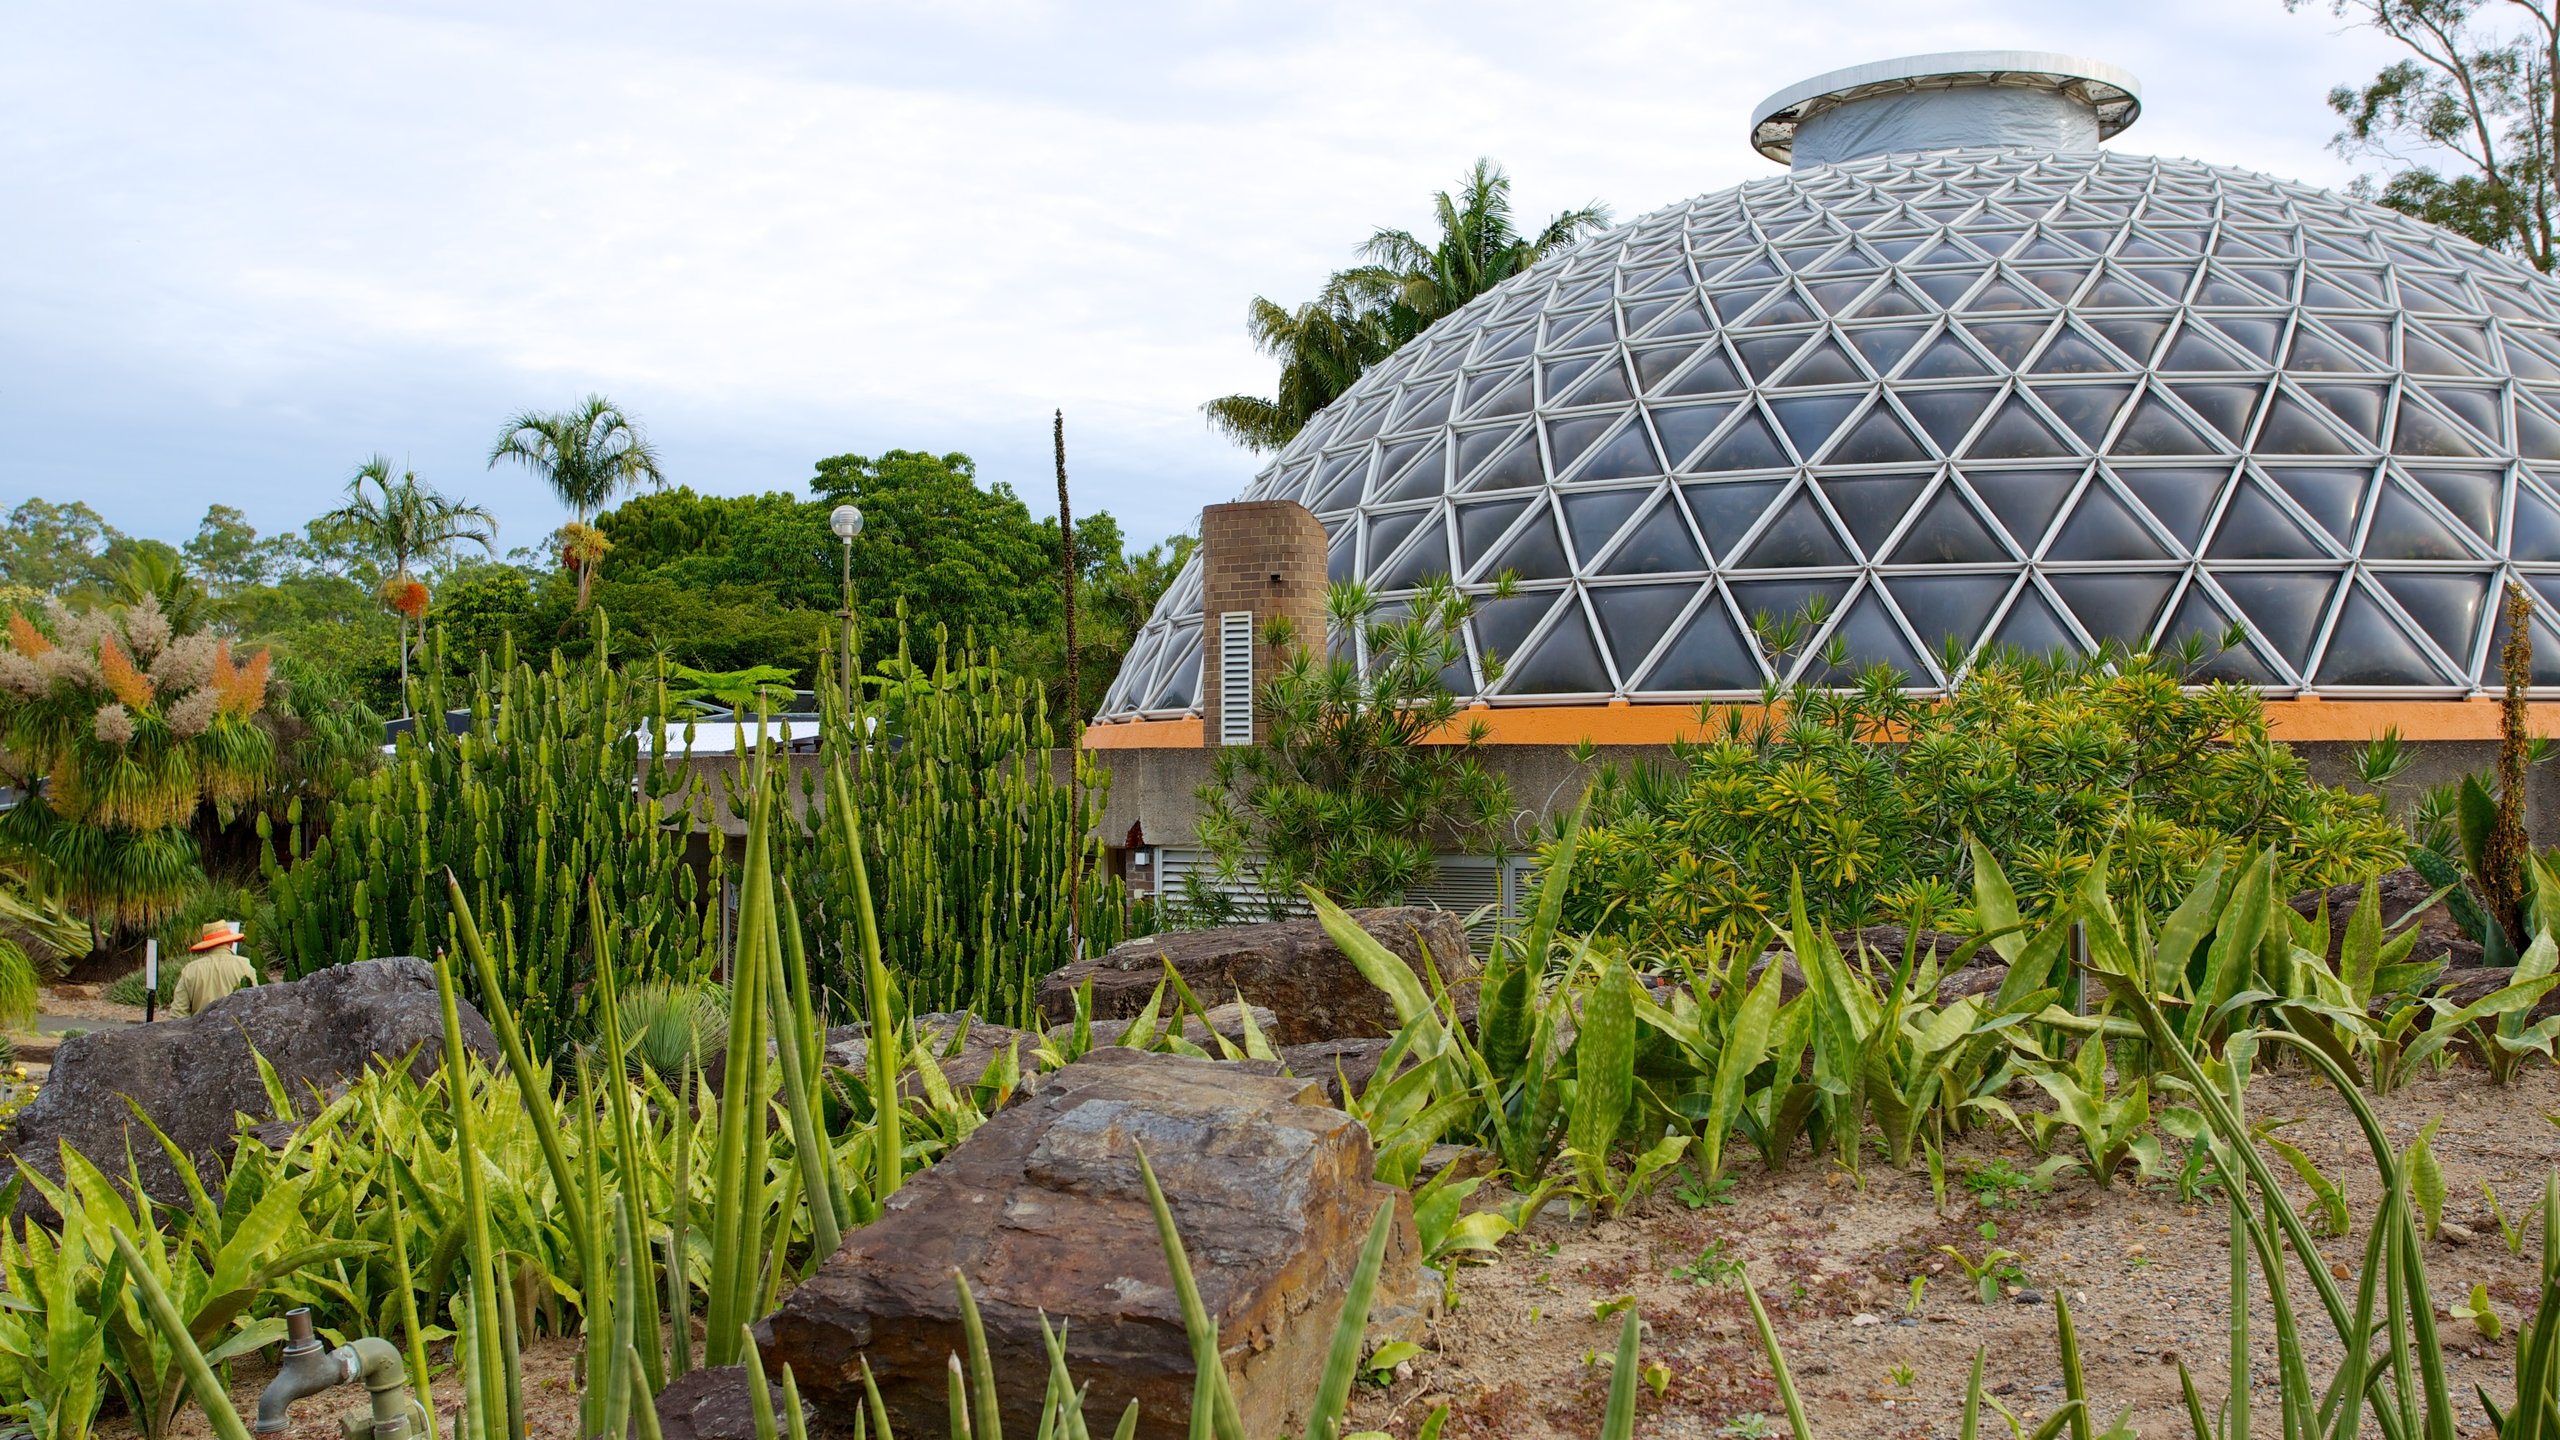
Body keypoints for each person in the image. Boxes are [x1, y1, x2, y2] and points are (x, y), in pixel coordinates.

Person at [169, 919, 261, 1017]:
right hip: (237, 1029)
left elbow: (178, 1014)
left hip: (200, 1030)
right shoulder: (244, 965)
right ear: (230, 942)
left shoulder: (190, 970)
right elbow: (256, 1003)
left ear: (206, 946)